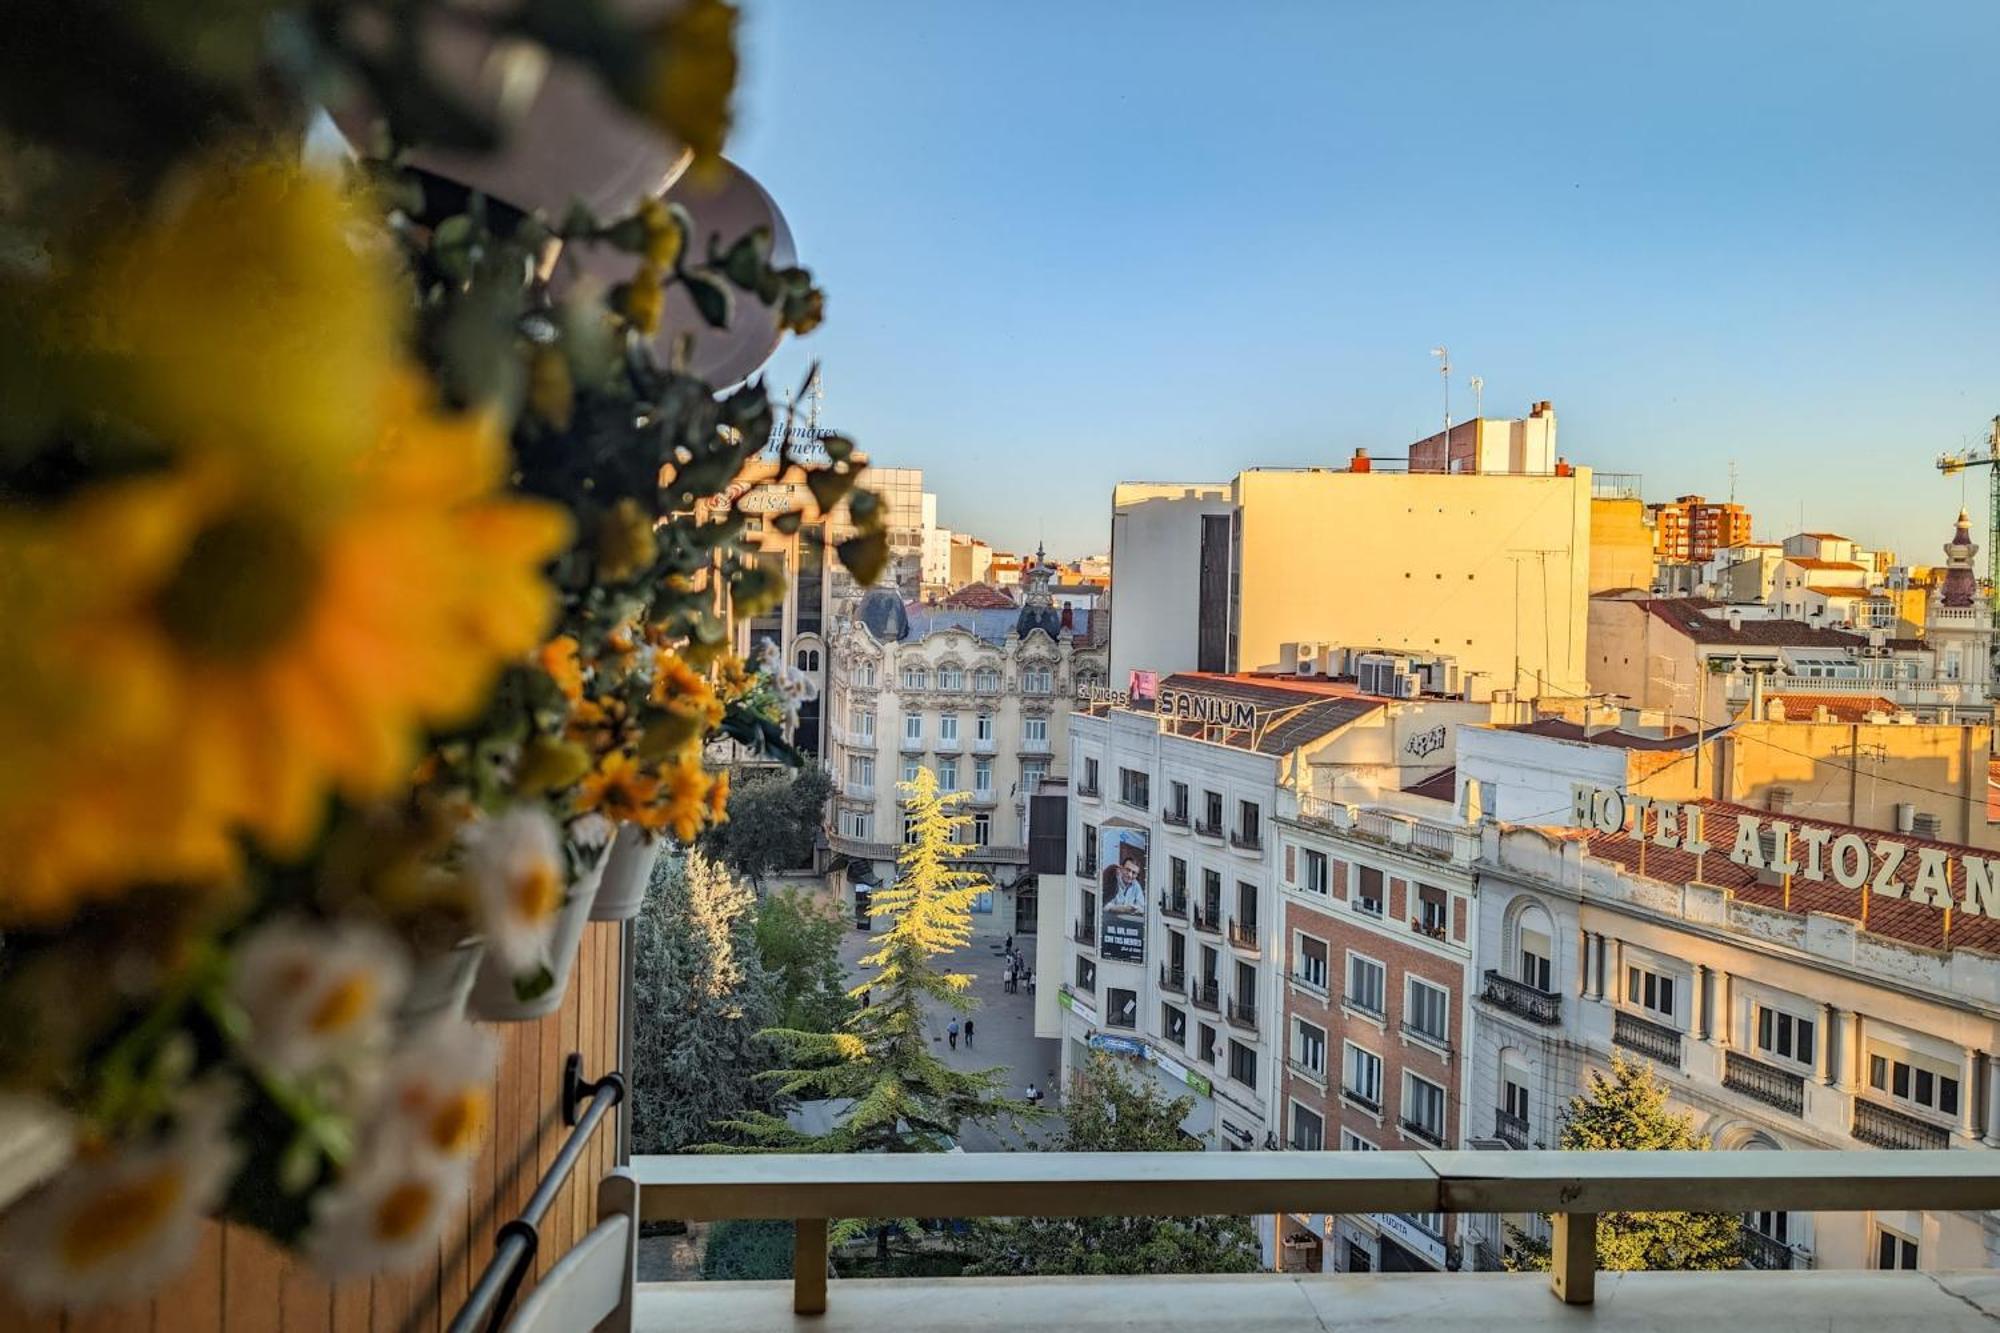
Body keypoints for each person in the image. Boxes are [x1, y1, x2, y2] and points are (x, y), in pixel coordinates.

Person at [1102, 847, 1146, 915]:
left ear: (1137, 875)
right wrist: (1122, 909)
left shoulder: (1136, 885)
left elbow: (1143, 908)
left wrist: (1135, 908)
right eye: (1128, 870)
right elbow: (1103, 905)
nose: (1130, 875)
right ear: (1121, 868)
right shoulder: (1112, 879)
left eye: (1134, 873)